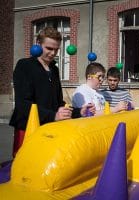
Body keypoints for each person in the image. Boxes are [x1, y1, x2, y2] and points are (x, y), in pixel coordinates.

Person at [9, 27, 92, 157]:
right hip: (28, 128)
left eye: (56, 49)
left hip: (50, 128)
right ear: (38, 44)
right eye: (49, 48)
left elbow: (58, 103)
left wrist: (78, 111)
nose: (53, 53)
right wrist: (53, 116)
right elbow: (23, 104)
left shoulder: (54, 69)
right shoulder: (24, 65)